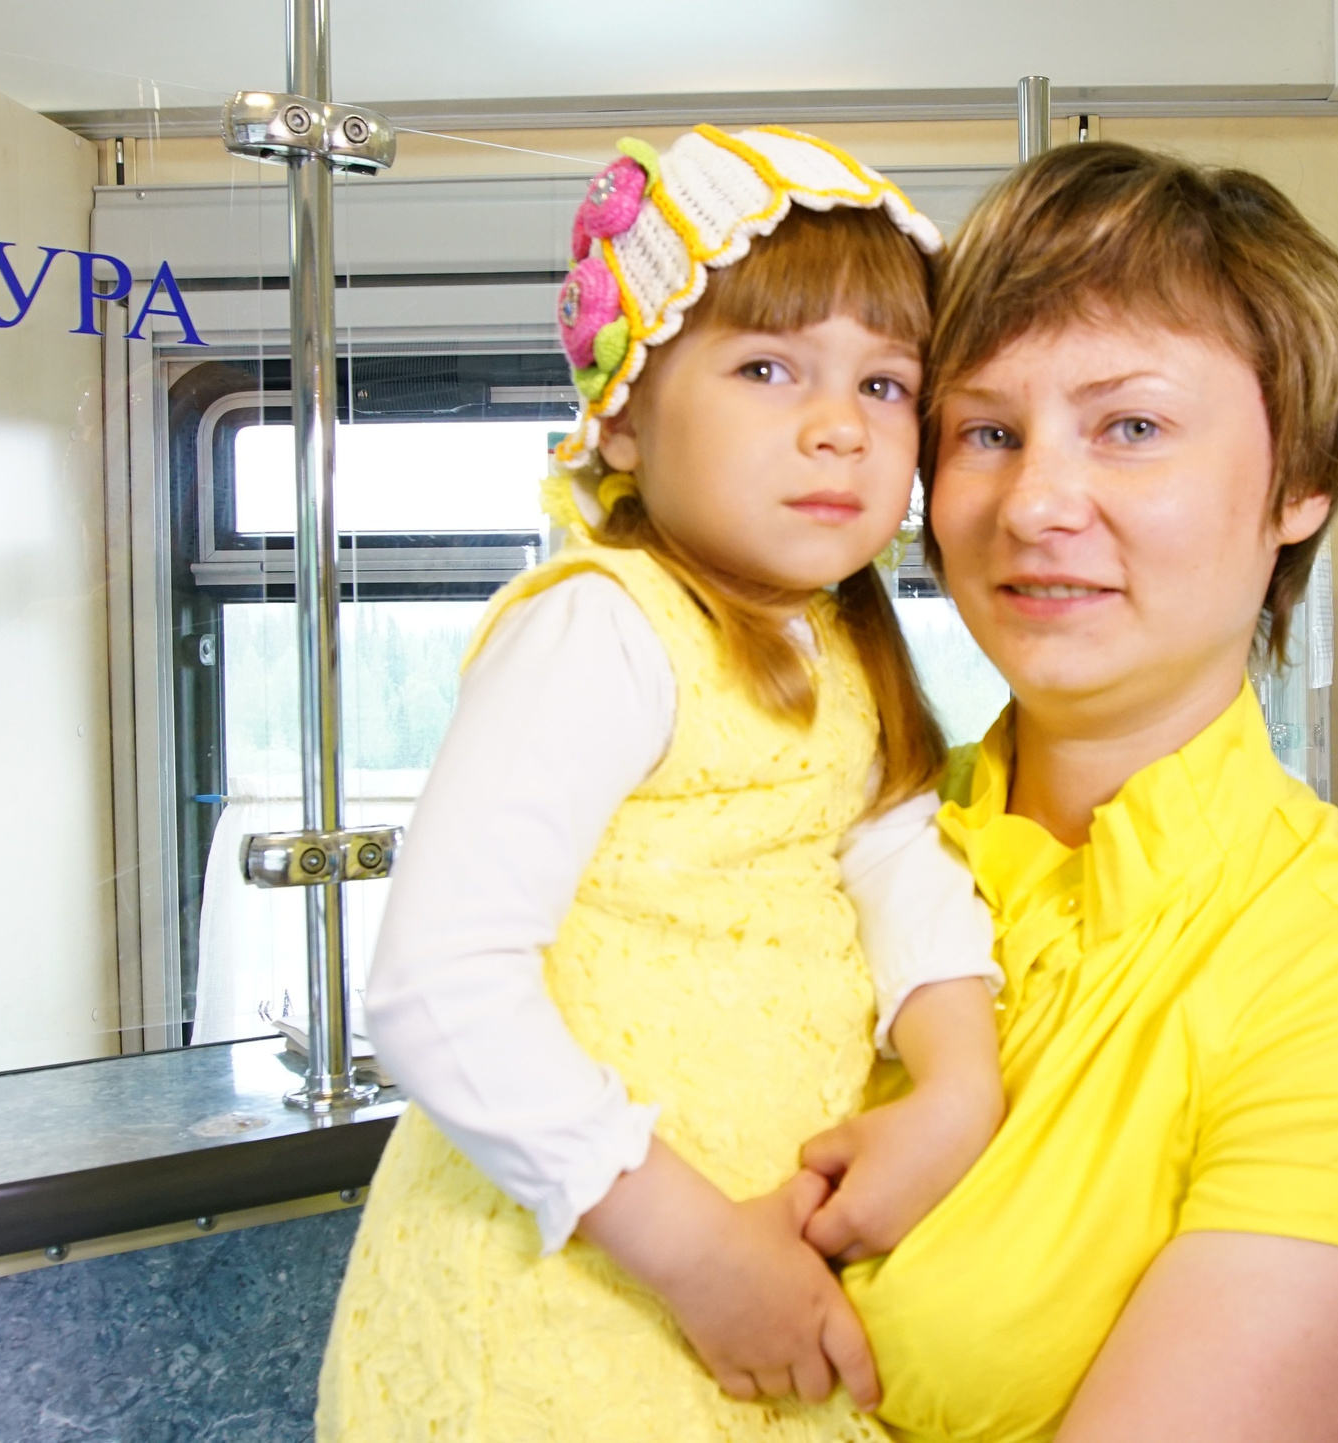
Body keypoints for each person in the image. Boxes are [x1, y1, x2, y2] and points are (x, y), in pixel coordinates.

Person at [316, 126, 1005, 1442]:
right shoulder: (605, 628)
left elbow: (901, 864)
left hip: (751, 1273)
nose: (836, 430)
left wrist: (959, 1087)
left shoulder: (847, 643)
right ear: (622, 415)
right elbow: (435, 988)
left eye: (884, 387)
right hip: (569, 1287)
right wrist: (696, 1252)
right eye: (765, 368)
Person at [840, 142, 1338, 1443]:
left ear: (1301, 481)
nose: (1036, 502)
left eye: (1130, 426)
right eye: (987, 431)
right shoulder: (835, 831)